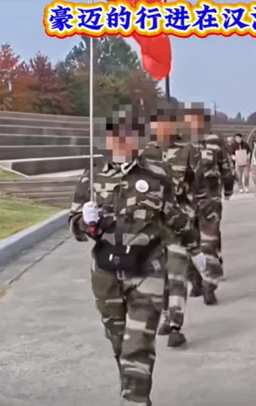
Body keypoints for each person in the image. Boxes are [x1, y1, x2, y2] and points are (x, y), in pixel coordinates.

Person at [68, 104, 205, 405]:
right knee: (120, 344)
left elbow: (175, 216)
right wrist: (85, 222)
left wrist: (195, 249)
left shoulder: (157, 173)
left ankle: (135, 400)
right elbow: (75, 225)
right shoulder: (93, 176)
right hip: (106, 274)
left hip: (147, 269)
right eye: (115, 134)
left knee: (138, 344)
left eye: (128, 133)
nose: (121, 140)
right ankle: (134, 391)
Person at [146, 104, 200, 348]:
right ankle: (167, 316)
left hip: (178, 222)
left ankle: (176, 325)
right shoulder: (144, 154)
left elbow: (198, 184)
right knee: (161, 275)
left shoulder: (188, 151)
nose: (162, 128)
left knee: (177, 272)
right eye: (158, 124)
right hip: (153, 225)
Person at [186, 103, 235, 305]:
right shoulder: (180, 143)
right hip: (186, 202)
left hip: (210, 200)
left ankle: (209, 285)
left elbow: (226, 167)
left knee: (209, 243)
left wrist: (228, 188)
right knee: (190, 242)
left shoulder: (215, 141)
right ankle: (195, 281)